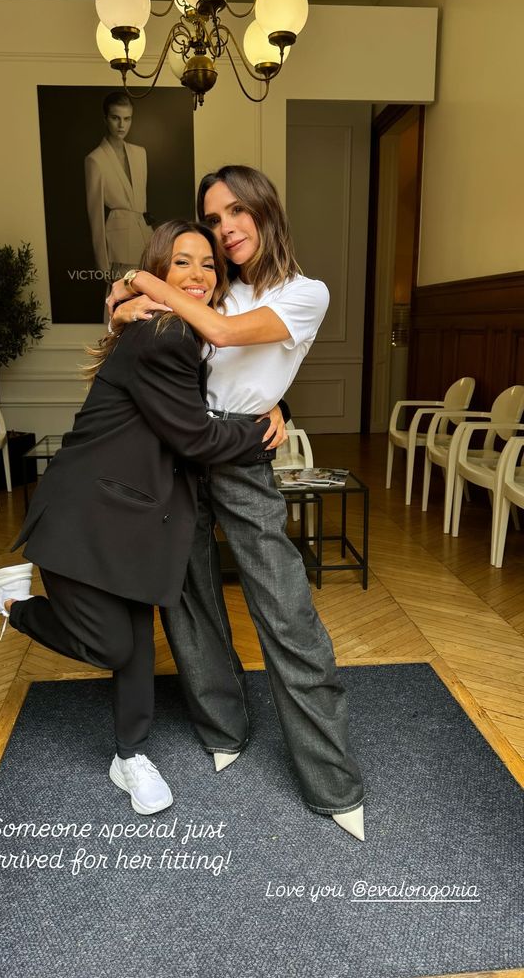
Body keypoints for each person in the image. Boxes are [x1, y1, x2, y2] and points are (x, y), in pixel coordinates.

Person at [0, 220, 274, 817]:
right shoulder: (163, 334)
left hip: (134, 518)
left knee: (134, 645)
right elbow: (194, 435)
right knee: (110, 644)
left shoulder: (175, 332)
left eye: (208, 264)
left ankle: (129, 755)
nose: (199, 275)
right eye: (181, 263)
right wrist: (265, 433)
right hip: (86, 514)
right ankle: (10, 604)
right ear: (157, 273)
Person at [108, 165, 366, 841]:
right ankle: (223, 727)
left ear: (263, 208)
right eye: (212, 218)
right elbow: (155, 333)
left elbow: (227, 341)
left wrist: (143, 282)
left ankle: (331, 781)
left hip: (244, 454)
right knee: (189, 600)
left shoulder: (306, 292)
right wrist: (123, 294)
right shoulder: (213, 287)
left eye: (233, 212)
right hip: (179, 451)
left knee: (286, 610)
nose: (224, 229)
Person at [84, 92, 153, 286]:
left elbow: (143, 203)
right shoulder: (95, 160)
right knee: (122, 301)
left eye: (127, 119)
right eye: (115, 118)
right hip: (119, 245)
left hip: (146, 238)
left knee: (149, 300)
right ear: (105, 119)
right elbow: (95, 214)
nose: (122, 125)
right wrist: (102, 263)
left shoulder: (140, 153)